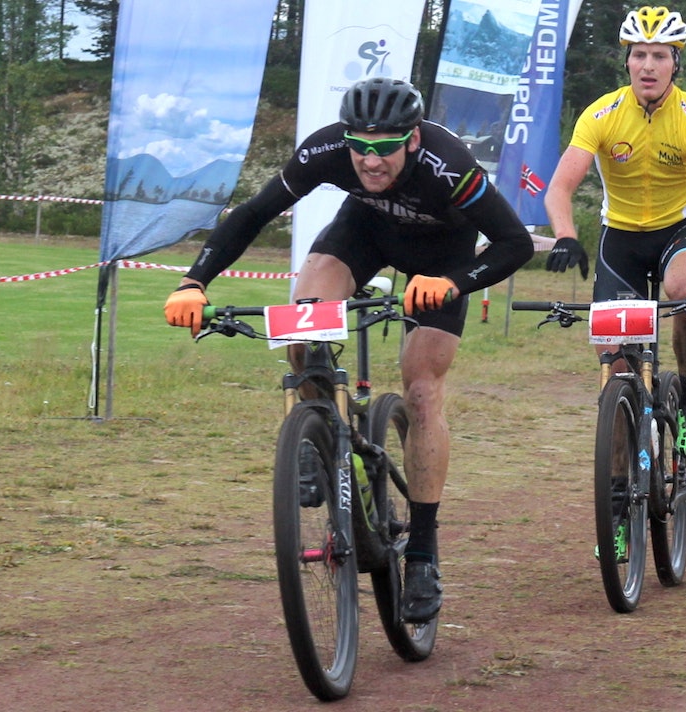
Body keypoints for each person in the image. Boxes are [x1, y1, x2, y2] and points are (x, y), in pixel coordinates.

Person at [164, 77, 535, 623]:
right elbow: (254, 212)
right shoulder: (327, 149)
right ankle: (318, 433)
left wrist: (454, 283)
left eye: (386, 148)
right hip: (363, 234)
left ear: (412, 140)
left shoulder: (449, 165)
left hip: (443, 258)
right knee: (303, 325)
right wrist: (194, 282)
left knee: (422, 390)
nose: (370, 161)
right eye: (360, 146)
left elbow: (515, 243)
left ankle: (424, 554)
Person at [544, 5, 686, 461]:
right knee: (615, 366)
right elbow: (559, 188)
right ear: (627, 61)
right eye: (639, 54)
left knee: (684, 290)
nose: (648, 66)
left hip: (678, 230)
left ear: (675, 63)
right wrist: (566, 235)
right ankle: (616, 494)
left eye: (659, 55)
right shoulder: (602, 114)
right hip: (621, 237)